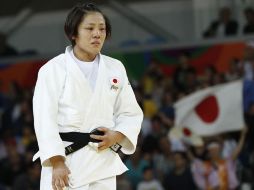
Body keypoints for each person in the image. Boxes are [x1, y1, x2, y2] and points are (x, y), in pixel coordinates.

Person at [32, 2, 143, 190]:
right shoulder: (52, 69)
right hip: (66, 161)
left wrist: (117, 134)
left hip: (103, 162)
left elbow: (130, 112)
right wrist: (57, 162)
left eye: (102, 29)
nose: (97, 34)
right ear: (73, 33)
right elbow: (44, 120)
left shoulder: (115, 68)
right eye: (90, 28)